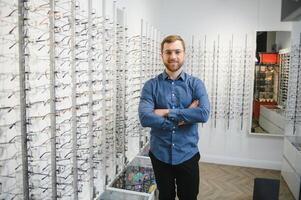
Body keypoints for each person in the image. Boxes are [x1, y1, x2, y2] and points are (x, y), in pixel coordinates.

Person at [138, 35, 210, 200]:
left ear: (184, 54)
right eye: (168, 52)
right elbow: (145, 118)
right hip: (160, 155)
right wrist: (184, 116)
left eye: (177, 51)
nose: (173, 56)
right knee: (165, 196)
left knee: (189, 197)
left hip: (188, 154)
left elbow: (204, 113)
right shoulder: (151, 86)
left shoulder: (196, 84)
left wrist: (165, 112)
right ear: (162, 55)